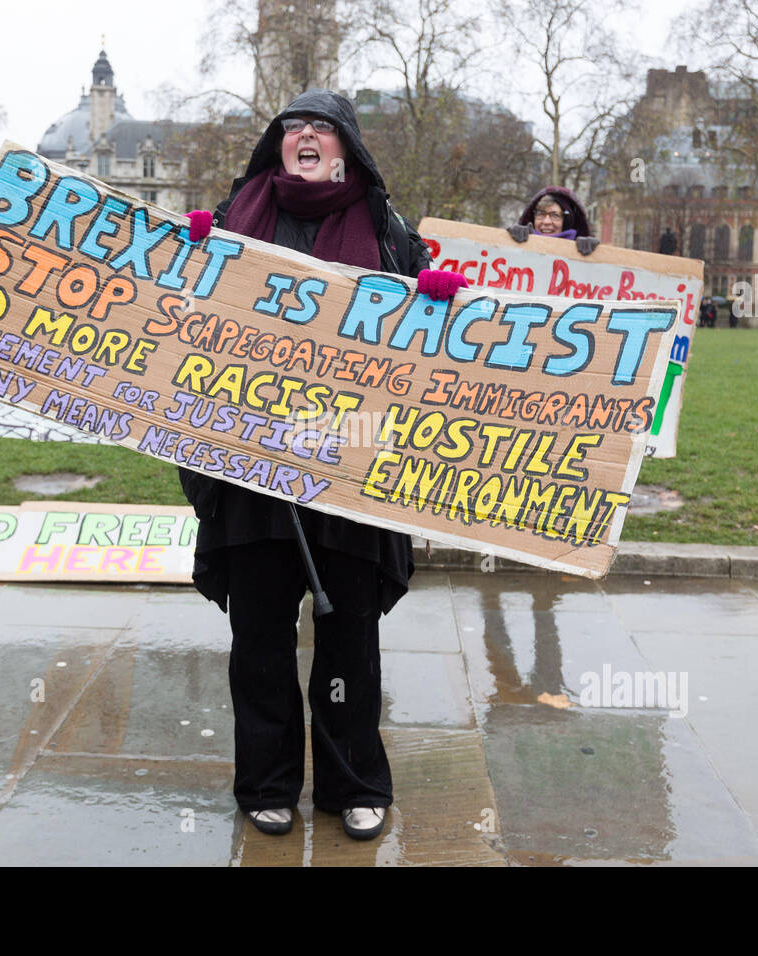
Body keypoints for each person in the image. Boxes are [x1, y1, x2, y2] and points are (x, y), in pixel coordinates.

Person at [179, 90, 463, 842]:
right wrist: (185, 257)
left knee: (351, 642)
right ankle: (266, 783)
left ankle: (354, 784)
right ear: (277, 145)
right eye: (292, 127)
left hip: (350, 468)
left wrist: (432, 297)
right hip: (251, 467)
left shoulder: (387, 227)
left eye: (322, 128)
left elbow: (429, 350)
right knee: (261, 638)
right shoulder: (231, 215)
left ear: (347, 148)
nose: (305, 136)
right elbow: (176, 326)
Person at [506, 186, 600, 256]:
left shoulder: (582, 248)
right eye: (541, 214)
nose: (546, 222)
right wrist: (509, 242)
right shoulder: (519, 244)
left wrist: (593, 255)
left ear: (566, 221)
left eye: (554, 215)